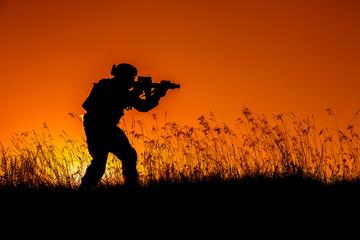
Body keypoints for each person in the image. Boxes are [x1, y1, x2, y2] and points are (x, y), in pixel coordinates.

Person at [80, 63, 167, 190]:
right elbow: (113, 99)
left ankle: (131, 186)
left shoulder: (123, 91)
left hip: (109, 127)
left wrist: (157, 94)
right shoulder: (106, 86)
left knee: (129, 155)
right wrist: (136, 93)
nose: (132, 81)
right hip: (97, 128)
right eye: (131, 78)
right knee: (99, 164)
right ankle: (84, 188)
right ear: (123, 76)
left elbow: (143, 106)